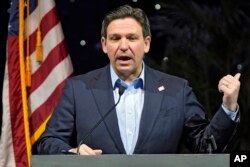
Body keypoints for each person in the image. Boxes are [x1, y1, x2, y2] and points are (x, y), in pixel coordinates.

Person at [36, 4, 241, 155]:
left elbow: (205, 147)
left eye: (132, 38)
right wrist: (73, 152)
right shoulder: (78, 89)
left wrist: (228, 107)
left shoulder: (177, 90)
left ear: (146, 44)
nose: (123, 46)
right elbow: (49, 141)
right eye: (115, 38)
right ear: (105, 45)